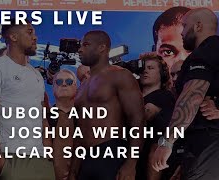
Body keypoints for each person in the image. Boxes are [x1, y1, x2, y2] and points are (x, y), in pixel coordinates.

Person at [0, 18, 55, 180]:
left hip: (41, 159)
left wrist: (48, 152)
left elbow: (43, 120)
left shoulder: (36, 75)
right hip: (13, 156)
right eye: (29, 32)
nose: (35, 37)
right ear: (13, 37)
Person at [152, 8, 219, 180]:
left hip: (209, 144)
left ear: (197, 26)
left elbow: (192, 98)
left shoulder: (205, 51)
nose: (182, 32)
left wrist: (166, 142)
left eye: (184, 25)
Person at [69, 30, 145, 180]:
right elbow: (80, 129)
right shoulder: (83, 85)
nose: (80, 49)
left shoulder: (120, 75)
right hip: (84, 159)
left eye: (85, 44)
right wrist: (73, 171)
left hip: (111, 153)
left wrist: (131, 163)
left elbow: (138, 118)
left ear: (102, 47)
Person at [136, 52, 175, 180]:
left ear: (162, 74)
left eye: (150, 68)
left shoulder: (165, 96)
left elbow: (143, 116)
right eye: (142, 68)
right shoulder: (132, 98)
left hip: (151, 160)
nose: (145, 71)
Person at [45, 69, 77, 180]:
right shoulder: (45, 117)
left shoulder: (86, 117)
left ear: (75, 86)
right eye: (58, 82)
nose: (63, 84)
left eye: (68, 81)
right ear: (53, 87)